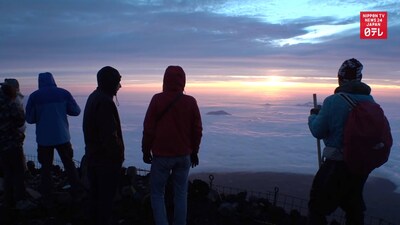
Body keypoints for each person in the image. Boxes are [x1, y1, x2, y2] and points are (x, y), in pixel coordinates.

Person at [307, 58, 373, 225]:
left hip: (337, 163)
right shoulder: (369, 101)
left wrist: (314, 116)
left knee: (317, 205)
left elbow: (318, 131)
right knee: (354, 206)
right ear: (360, 78)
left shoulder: (333, 101)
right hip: (361, 165)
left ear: (340, 78)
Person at [142, 65, 203, 225]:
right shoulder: (190, 102)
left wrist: (145, 150)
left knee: (157, 194)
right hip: (184, 156)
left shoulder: (157, 99)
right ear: (183, 81)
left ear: (165, 80)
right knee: (181, 193)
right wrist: (194, 151)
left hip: (161, 156)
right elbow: (197, 130)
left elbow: (148, 128)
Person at [25, 72, 83, 206]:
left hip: (44, 138)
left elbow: (30, 119)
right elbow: (76, 111)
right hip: (62, 136)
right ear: (53, 80)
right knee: (69, 163)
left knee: (45, 167)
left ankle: (47, 194)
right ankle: (77, 190)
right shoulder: (64, 93)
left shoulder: (34, 96)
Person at [82, 66, 124, 225]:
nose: (119, 86)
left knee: (96, 197)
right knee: (105, 199)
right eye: (118, 82)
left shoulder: (95, 97)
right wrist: (118, 156)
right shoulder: (105, 102)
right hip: (105, 161)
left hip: (95, 157)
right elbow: (109, 136)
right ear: (110, 82)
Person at [0, 79, 29, 209]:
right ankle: (20, 200)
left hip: (1, 144)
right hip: (12, 143)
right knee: (18, 172)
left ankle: (7, 200)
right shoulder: (11, 103)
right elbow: (20, 121)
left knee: (7, 172)